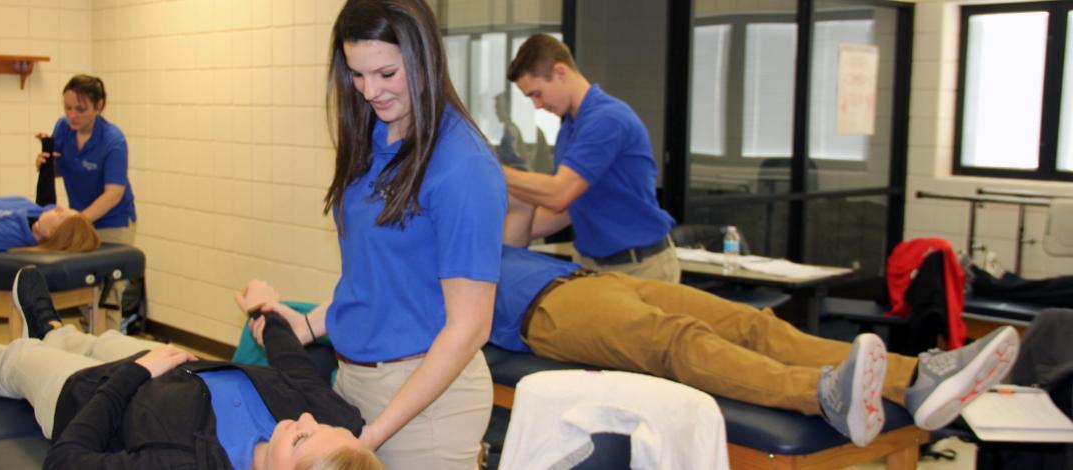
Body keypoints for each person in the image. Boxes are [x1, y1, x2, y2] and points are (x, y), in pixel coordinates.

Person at [479, 197, 1022, 447]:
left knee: (751, 323)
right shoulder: (403, 261)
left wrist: (503, 179)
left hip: (584, 277)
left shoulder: (450, 217)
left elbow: (518, 227)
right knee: (676, 342)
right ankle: (822, 393)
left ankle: (916, 378)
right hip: (540, 311)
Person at [237, 1, 506, 467]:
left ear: (424, 58)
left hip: (427, 405)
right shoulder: (377, 136)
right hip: (352, 381)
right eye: (357, 75)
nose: (369, 91)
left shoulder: (464, 166)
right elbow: (377, 276)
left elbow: (469, 328)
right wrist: (307, 324)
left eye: (385, 73)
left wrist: (373, 435)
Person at [0, 267, 383, 470]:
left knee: (21, 359)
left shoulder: (187, 464)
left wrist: (137, 375)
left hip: (90, 398)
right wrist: (265, 312)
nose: (305, 419)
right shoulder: (337, 424)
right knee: (100, 339)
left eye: (303, 436)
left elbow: (66, 463)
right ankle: (50, 328)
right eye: (316, 424)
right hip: (172, 370)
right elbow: (298, 371)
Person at [503, 33, 679, 282]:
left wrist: (495, 172)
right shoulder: (570, 126)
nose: (537, 105)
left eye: (537, 94)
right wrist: (510, 230)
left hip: (638, 267)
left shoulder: (607, 119)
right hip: (591, 264)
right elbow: (568, 208)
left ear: (560, 72)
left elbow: (557, 194)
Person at [35, 74, 137, 245]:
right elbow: (63, 168)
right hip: (80, 219)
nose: (72, 115)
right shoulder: (63, 127)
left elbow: (114, 194)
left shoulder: (113, 141)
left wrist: (77, 221)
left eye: (80, 109)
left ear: (99, 105)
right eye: (67, 107)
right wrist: (45, 166)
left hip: (111, 224)